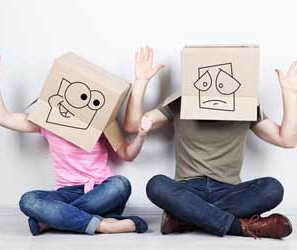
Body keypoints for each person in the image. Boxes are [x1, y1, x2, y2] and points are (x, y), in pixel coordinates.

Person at [125, 47, 297, 239]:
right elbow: (133, 126)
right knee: (156, 185)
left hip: (229, 191)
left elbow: (287, 140)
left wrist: (290, 94)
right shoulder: (181, 102)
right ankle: (240, 226)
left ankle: (185, 217)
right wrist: (140, 82)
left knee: (273, 188)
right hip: (187, 189)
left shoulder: (246, 107)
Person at [0, 53, 154, 236]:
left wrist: (141, 136)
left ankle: (52, 221)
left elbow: (127, 154)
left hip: (101, 191)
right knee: (28, 200)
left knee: (120, 184)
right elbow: (3, 118)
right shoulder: (47, 120)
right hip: (66, 192)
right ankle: (103, 225)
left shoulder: (102, 121)